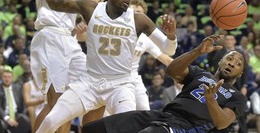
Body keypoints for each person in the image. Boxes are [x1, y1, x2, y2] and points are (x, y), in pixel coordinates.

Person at [32, 0, 177, 132]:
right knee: (51, 121)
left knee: (126, 127)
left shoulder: (138, 19)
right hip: (90, 81)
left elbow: (168, 50)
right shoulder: (90, 8)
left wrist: (171, 35)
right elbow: (54, 2)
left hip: (121, 85)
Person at [82, 35, 247, 133]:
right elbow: (172, 71)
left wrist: (211, 100)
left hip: (186, 127)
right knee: (94, 129)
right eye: (230, 58)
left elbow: (222, 122)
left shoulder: (237, 96)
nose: (232, 63)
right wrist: (197, 51)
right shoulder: (200, 73)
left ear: (240, 73)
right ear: (220, 61)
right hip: (163, 116)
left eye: (238, 63)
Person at [20, 0, 96, 133]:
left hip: (70, 40)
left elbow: (97, 10)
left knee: (93, 89)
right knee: (55, 101)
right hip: (49, 35)